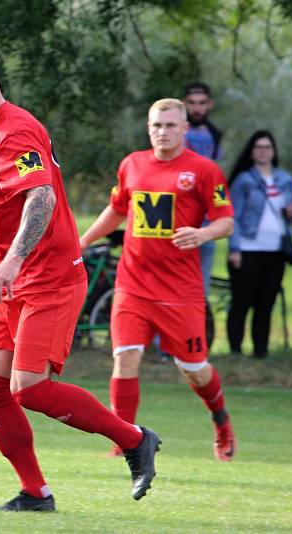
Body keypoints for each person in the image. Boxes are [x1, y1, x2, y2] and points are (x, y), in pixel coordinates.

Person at [0, 36, 160, 512]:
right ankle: (36, 493)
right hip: (12, 284)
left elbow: (40, 197)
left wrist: (14, 259)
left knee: (31, 389)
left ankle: (134, 439)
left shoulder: (15, 131)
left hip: (49, 279)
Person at [79, 98, 237, 461]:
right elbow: (118, 209)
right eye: (156, 125)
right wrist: (84, 239)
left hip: (180, 292)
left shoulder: (204, 170)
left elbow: (226, 221)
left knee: (193, 369)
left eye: (170, 125)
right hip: (133, 285)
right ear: (148, 128)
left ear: (184, 129)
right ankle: (124, 440)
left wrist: (202, 235)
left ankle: (221, 421)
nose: (162, 131)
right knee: (125, 357)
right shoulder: (132, 164)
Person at [226, 130, 292, 358]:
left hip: (275, 250)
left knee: (266, 302)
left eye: (267, 147)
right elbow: (232, 215)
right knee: (242, 302)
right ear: (251, 151)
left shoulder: (285, 179)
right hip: (247, 249)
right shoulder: (243, 180)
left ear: (274, 151)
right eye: (258, 147)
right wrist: (234, 248)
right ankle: (235, 350)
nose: (263, 151)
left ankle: (260, 351)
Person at [184, 82, 224, 296]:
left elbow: (215, 177)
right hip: (177, 222)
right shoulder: (175, 132)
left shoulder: (215, 135)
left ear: (209, 105)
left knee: (199, 290)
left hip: (205, 224)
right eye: (192, 103)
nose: (196, 108)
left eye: (201, 103)